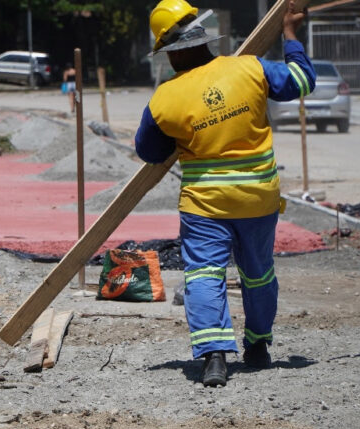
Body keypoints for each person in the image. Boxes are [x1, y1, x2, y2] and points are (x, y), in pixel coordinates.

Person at [135, 0, 315, 387]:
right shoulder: (249, 68)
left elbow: (149, 151)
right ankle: (258, 345)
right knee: (259, 273)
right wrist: (289, 33)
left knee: (204, 275)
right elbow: (301, 81)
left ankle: (214, 356)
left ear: (172, 52)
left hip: (205, 205)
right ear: (203, 38)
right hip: (258, 199)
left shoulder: (165, 98)